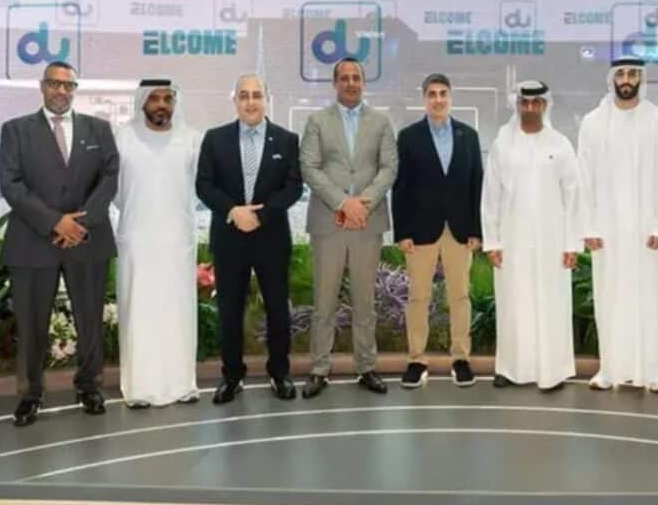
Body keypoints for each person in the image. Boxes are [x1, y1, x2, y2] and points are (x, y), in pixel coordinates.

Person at [0, 60, 119, 426]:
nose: (61, 91)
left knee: (90, 320)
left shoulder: (99, 129)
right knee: (31, 324)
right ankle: (30, 395)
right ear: (42, 86)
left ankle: (89, 386)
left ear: (75, 90)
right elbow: (11, 185)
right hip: (32, 242)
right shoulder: (16, 130)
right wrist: (55, 222)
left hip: (87, 239)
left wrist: (80, 223)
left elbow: (110, 176)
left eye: (69, 85)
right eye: (55, 83)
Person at [196, 73, 302, 405]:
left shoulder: (286, 140)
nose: (251, 102)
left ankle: (280, 372)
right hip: (230, 237)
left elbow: (293, 186)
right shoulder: (215, 139)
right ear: (235, 101)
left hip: (271, 238)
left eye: (257, 95)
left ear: (266, 99)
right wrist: (233, 211)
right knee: (230, 311)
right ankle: (231, 376)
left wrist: (261, 215)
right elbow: (204, 185)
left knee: (277, 309)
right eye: (244, 95)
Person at [577, 56, 658, 392]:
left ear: (640, 79)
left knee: (650, 298)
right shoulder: (593, 123)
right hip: (607, 229)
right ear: (612, 79)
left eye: (633, 73)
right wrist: (589, 226)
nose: (626, 79)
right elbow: (584, 177)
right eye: (621, 73)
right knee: (610, 297)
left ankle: (656, 373)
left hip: (648, 229)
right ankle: (610, 370)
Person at [300, 56, 398, 398]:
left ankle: (366, 367)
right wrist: (344, 203)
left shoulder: (381, 121)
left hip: (367, 223)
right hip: (329, 223)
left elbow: (389, 168)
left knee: (365, 302)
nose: (351, 83)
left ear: (363, 83)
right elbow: (310, 168)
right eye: (344, 78)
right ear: (335, 83)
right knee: (323, 301)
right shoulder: (317, 121)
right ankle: (319, 369)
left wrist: (362, 205)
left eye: (356, 77)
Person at [482, 81, 580, 391]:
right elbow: (491, 195)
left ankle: (553, 370)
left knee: (551, 303)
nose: (530, 108)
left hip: (552, 241)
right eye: (524, 103)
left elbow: (573, 196)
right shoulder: (502, 145)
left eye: (536, 103)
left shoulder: (560, 144)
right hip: (512, 240)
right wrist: (492, 241)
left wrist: (572, 244)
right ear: (518, 106)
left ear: (545, 105)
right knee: (513, 303)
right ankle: (509, 369)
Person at [114, 78, 202, 408]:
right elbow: (115, 191)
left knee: (177, 311)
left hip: (178, 241)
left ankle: (182, 385)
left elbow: (199, 188)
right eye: (155, 98)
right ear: (143, 102)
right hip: (137, 239)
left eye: (168, 98)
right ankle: (138, 387)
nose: (162, 105)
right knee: (139, 311)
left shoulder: (191, 139)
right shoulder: (123, 137)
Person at [392, 73, 483, 389]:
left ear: (451, 97)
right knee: (418, 297)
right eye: (432, 94)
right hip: (420, 231)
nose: (438, 99)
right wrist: (402, 232)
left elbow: (476, 184)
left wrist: (476, 230)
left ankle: (461, 359)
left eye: (443, 93)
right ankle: (417, 360)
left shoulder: (468, 135)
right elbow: (401, 188)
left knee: (460, 296)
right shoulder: (408, 137)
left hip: (459, 230)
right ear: (424, 99)